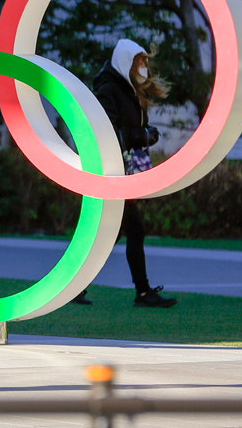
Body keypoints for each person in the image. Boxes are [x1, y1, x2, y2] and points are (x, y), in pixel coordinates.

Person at [91, 38, 177, 308]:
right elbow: (108, 132)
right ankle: (142, 292)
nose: (144, 67)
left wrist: (145, 134)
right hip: (114, 171)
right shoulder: (109, 89)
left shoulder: (130, 90)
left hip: (126, 170)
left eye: (145, 62)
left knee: (114, 232)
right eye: (140, 61)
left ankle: (75, 287)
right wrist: (143, 135)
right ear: (126, 62)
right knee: (132, 230)